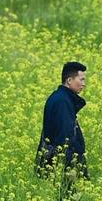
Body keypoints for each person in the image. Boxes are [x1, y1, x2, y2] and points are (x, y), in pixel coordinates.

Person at [35, 62, 89, 190]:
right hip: (63, 166)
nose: (83, 84)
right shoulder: (62, 102)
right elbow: (65, 137)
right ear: (69, 80)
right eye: (81, 80)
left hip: (57, 163)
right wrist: (70, 167)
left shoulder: (61, 98)